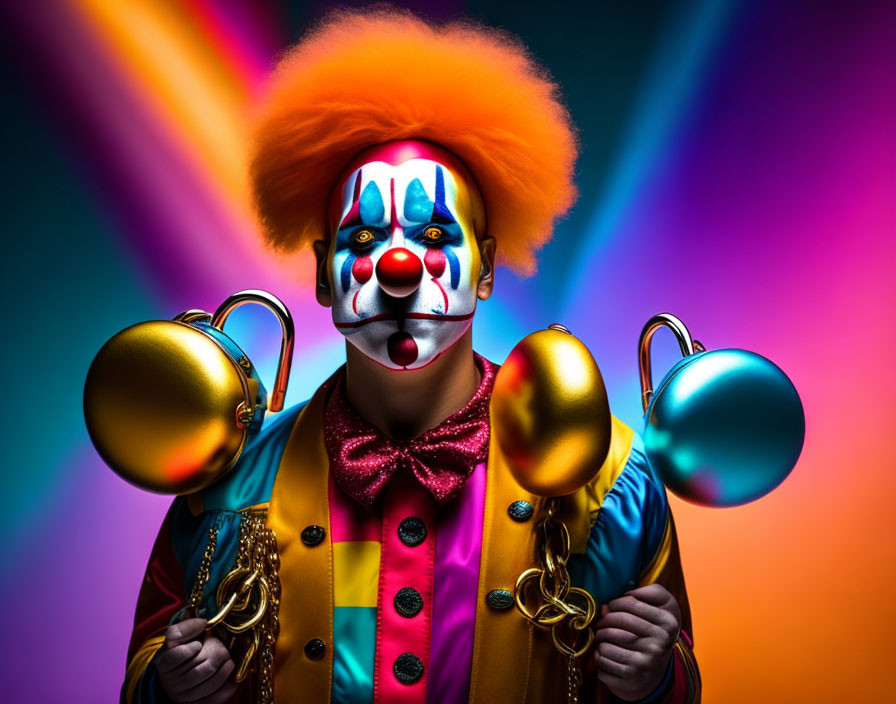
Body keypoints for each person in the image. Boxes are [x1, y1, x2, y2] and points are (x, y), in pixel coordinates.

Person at [121, 9, 700, 704]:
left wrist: (655, 675)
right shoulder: (230, 484)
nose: (397, 267)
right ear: (324, 273)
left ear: (484, 269)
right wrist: (171, 682)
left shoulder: (610, 482)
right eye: (363, 240)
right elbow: (147, 662)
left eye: (431, 232)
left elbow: (678, 679)